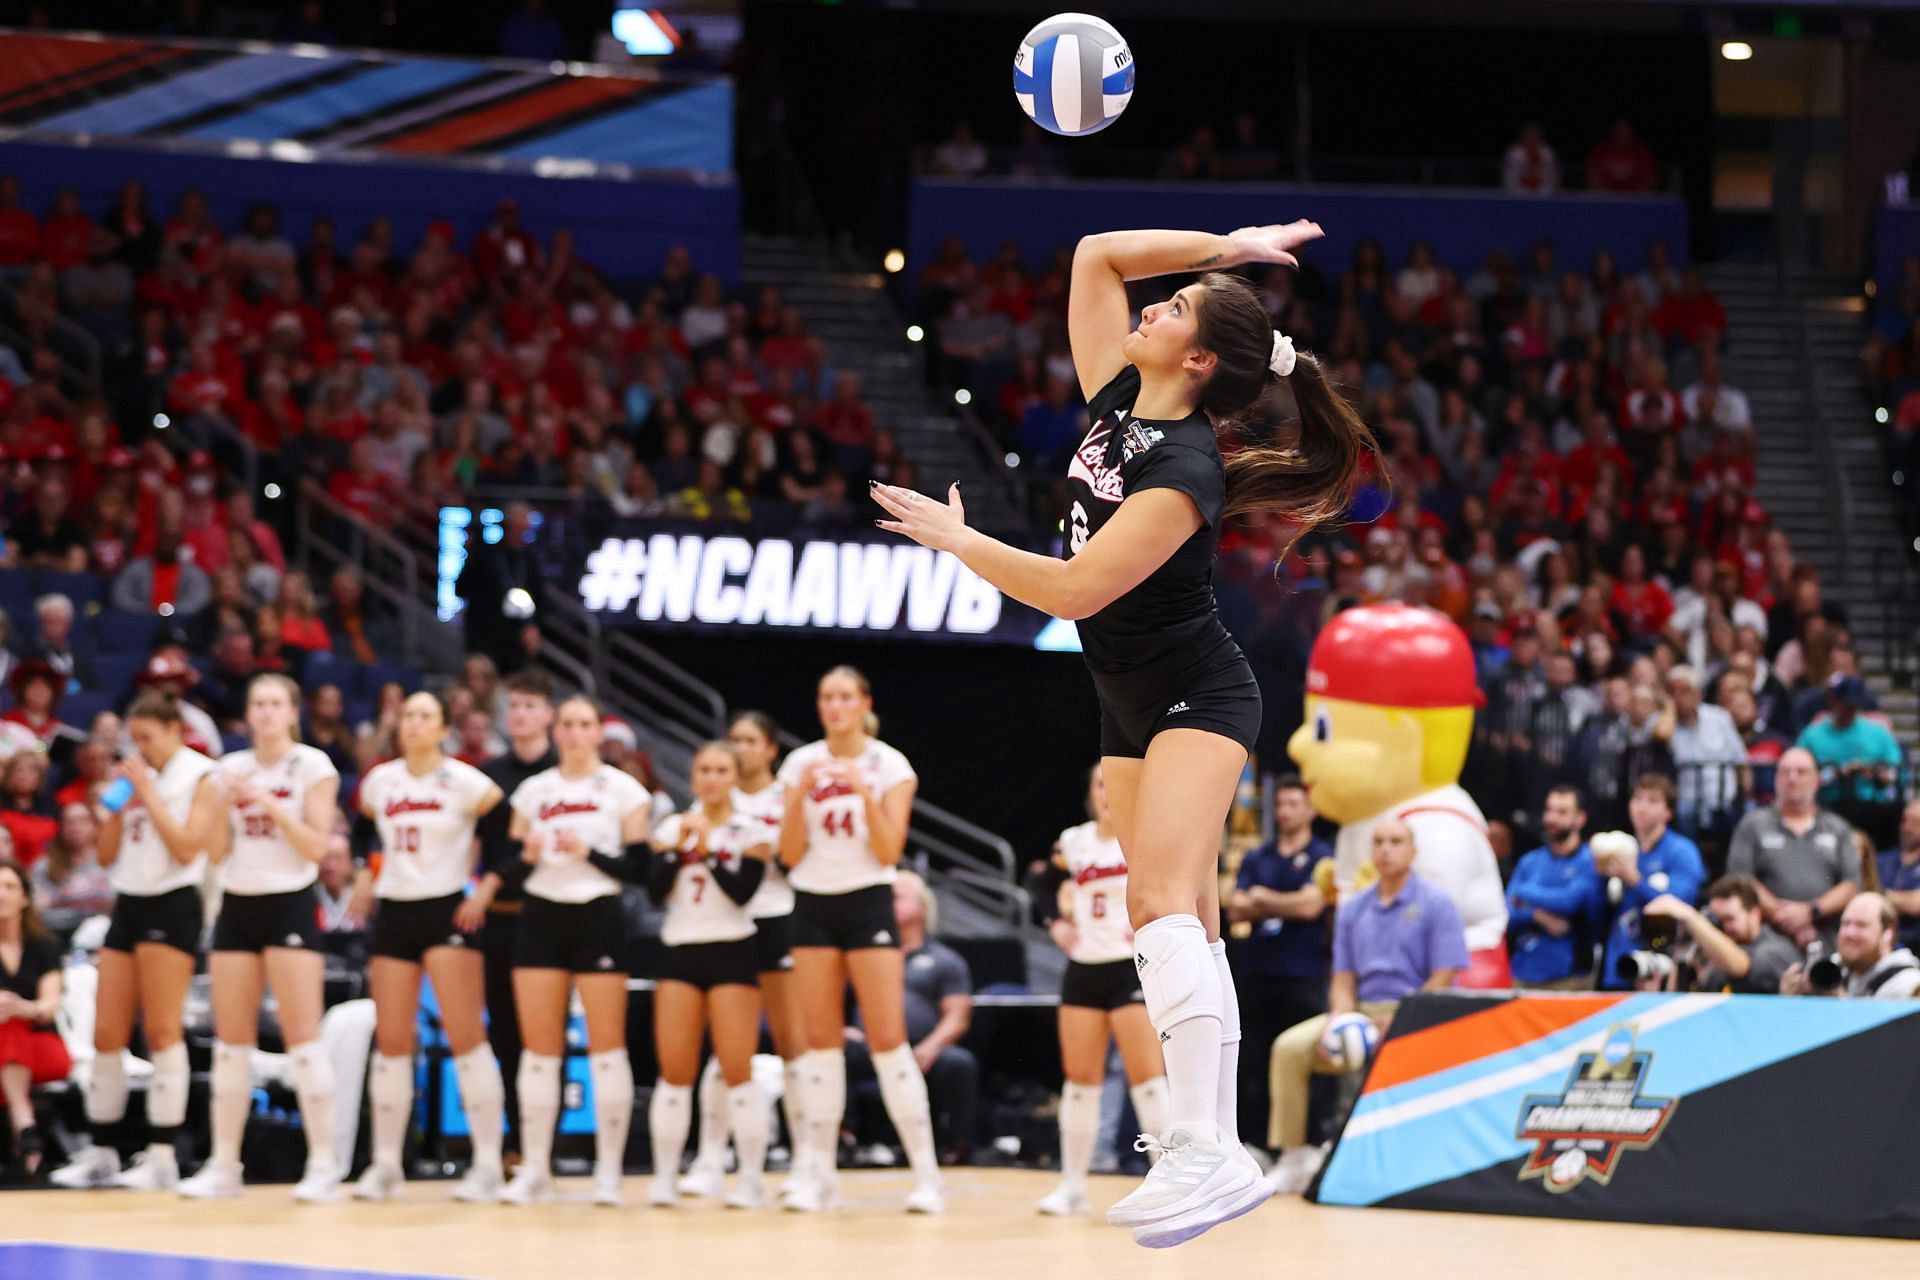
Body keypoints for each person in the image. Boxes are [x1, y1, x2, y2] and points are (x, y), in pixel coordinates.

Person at [873, 219, 1370, 1248]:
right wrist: (1225, 246)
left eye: (1178, 306)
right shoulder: (1116, 397)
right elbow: (1097, 251)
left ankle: (1211, 1150)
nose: (1155, 301)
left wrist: (961, 537)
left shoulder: (1186, 467)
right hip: (1128, 698)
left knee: (1155, 900)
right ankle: (1206, 1141)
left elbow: (1071, 587)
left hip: (1199, 691)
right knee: (1173, 918)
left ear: (1196, 362)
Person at [776, 667, 939, 1215]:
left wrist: (861, 788)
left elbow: (891, 849)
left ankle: (926, 1175)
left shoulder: (889, 764)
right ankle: (817, 1172)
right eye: (827, 697)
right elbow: (789, 854)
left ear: (864, 702)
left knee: (887, 1039)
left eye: (846, 697)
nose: (836, 706)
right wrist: (802, 791)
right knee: (820, 1045)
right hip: (812, 903)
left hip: (868, 898)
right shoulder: (799, 764)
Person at [180, 674, 342, 1201]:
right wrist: (224, 806)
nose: (268, 712)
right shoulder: (227, 769)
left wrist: (268, 804)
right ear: (247, 714)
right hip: (238, 900)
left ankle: (324, 1164)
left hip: (290, 899)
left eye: (277, 704)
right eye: (259, 704)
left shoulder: (312, 766)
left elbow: (316, 846)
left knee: (302, 1036)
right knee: (231, 1041)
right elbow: (218, 851)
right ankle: (226, 1164)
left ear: (293, 712)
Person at [49, 694, 218, 1192]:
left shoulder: (200, 775)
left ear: (174, 730)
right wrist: (118, 808)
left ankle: (163, 1154)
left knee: (164, 1029)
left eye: (148, 737)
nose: (140, 747)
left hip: (174, 901)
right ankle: (102, 1150)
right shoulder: (134, 777)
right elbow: (104, 856)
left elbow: (188, 846)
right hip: (129, 900)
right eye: (135, 738)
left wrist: (151, 794)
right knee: (106, 1030)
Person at [351, 693, 507, 1203]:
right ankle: (387, 1164)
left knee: (466, 1037)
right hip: (394, 909)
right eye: (408, 716)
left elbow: (503, 834)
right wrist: (361, 873)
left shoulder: (466, 781)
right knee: (392, 1041)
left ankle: (486, 1163)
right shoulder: (381, 781)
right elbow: (362, 832)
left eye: (425, 716)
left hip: (446, 909)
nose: (414, 724)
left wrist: (484, 888)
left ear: (444, 729)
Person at [501, 695, 652, 1207]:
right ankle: (535, 1166)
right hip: (542, 915)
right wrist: (530, 856)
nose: (574, 732)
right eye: (566, 723)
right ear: (555, 729)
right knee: (539, 1052)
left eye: (584, 723)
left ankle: (608, 1170)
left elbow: (640, 871)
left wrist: (589, 853)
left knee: (607, 1048)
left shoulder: (624, 791)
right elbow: (509, 866)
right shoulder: (532, 791)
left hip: (598, 915)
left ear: (597, 732)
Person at [1266, 819, 1466, 1195]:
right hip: (1360, 1013)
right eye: (1378, 842)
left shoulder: (1437, 904)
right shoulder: (1353, 909)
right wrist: (1339, 1021)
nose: (1386, 849)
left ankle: (1384, 1157)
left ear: (1413, 851)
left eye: (1396, 841)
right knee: (1289, 1048)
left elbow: (1443, 978)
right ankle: (1294, 1157)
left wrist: (1400, 1020)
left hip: (1415, 1014)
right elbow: (1343, 979)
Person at [681, 712, 804, 1201]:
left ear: (771, 748)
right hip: (723, 924)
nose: (742, 749)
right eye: (735, 740)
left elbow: (798, 855)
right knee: (728, 1050)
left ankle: (806, 1161)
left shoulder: (784, 796)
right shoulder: (710, 798)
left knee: (794, 1045)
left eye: (751, 740)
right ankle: (711, 1157)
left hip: (777, 916)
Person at [644, 742, 771, 1209]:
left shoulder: (750, 831)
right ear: (693, 777)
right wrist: (680, 849)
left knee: (739, 1070)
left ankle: (751, 1178)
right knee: (675, 1071)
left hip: (732, 950)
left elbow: (743, 893)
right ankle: (663, 1177)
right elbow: (655, 891)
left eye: (721, 770)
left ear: (735, 776)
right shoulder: (671, 827)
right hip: (680, 950)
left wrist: (709, 851)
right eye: (703, 770)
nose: (712, 778)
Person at [1039, 764, 1170, 1217]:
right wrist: (1054, 921)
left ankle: (1166, 1183)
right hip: (1084, 968)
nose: (1106, 792)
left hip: (1130, 966)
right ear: (1090, 792)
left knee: (1148, 1081)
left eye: (1112, 783)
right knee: (1080, 1082)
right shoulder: (1073, 840)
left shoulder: (1141, 835)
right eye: (1098, 784)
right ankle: (1073, 1185)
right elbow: (1041, 879)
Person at [467, 670, 556, 1163]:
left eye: (529, 705)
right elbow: (474, 844)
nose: (520, 714)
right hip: (497, 916)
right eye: (514, 706)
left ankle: (541, 1143)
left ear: (548, 715)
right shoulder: (490, 777)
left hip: (547, 914)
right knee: (502, 1032)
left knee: (544, 1035)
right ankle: (513, 1142)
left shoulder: (563, 774)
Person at [1224, 775, 1329, 1150]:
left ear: (1311, 809)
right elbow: (1235, 905)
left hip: (1302, 973)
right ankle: (1253, 1144)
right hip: (1256, 971)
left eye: (1293, 804)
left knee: (1302, 1062)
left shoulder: (1322, 857)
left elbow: (1311, 905)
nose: (1284, 812)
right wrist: (1287, 901)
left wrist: (1264, 897)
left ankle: (1302, 1146)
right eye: (1280, 804)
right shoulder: (1258, 856)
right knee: (1252, 1061)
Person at [849, 871, 976, 1168]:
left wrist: (930, 1047)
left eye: (896, 897)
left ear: (922, 907)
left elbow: (958, 1017)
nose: (887, 904)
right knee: (833, 1053)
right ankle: (844, 1141)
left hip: (921, 1049)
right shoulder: (865, 953)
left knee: (960, 1064)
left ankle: (958, 1147)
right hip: (869, 1045)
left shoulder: (945, 959)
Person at [1726, 748, 1860, 947]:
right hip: (1766, 935)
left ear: (1816, 780)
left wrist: (1810, 912)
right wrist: (1787, 918)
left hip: (1827, 933)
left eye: (1801, 772)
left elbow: (1852, 884)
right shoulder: (1753, 824)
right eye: (1785, 772)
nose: (1792, 778)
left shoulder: (1838, 827)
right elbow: (1740, 877)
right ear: (1776, 779)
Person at [1592, 774, 1706, 990]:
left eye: (1653, 801)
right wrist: (1599, 877)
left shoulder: (1682, 851)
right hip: (1617, 964)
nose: (1642, 808)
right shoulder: (1620, 848)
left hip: (1660, 965)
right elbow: (1597, 914)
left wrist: (1635, 880)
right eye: (1637, 799)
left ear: (1669, 812)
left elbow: (1679, 904)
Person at [1, 856, 68, 1176]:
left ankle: (21, 1129)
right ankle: (25, 1127)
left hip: (42, 1047)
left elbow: (48, 1006)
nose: (1, 894)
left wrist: (19, 1007)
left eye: (9, 887)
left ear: (25, 898)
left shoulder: (45, 946)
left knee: (11, 1025)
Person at [1506, 786, 1600, 989]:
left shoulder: (1590, 861)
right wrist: (1537, 916)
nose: (1552, 818)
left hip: (1569, 977)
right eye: (1549, 810)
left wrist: (1523, 893)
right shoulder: (1530, 861)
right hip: (1522, 974)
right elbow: (1506, 912)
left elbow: (1569, 902)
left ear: (1580, 819)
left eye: (1562, 812)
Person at [1642, 875, 1799, 994]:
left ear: (1755, 914)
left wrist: (1690, 917)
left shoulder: (1776, 950)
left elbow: (1741, 967)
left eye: (1730, 918)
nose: (1723, 927)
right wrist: (1683, 952)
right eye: (1717, 920)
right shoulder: (1715, 960)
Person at [455, 502, 542, 674]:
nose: (522, 534)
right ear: (507, 527)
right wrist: (469, 556)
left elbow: (539, 596)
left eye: (525, 530)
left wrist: (533, 626)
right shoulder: (485, 554)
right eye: (517, 528)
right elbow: (462, 588)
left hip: (516, 636)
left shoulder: (529, 559)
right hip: (484, 633)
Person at [1778, 893, 1920, 999]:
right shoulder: (1832, 972)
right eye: (1845, 924)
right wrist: (1793, 1000)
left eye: (1861, 925)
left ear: (1887, 933)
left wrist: (1839, 1004)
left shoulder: (1907, 985)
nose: (1849, 933)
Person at [1877, 798, 1920, 955]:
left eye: (1915, 823)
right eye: (1904, 820)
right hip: (1883, 947)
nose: (1907, 827)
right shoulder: (1882, 860)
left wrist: (1882, 895)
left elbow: (1916, 905)